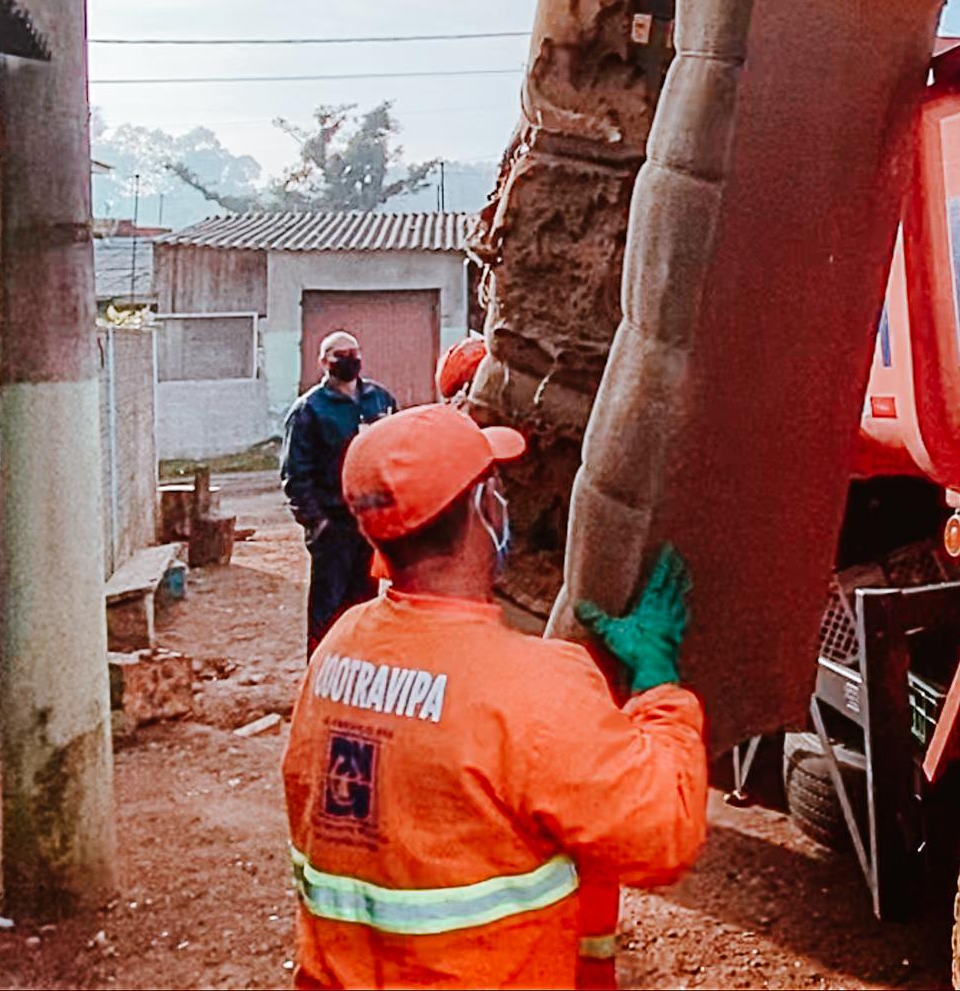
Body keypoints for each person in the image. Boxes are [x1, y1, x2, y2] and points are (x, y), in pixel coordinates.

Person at [282, 406, 707, 990]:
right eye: (496, 487)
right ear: (483, 509)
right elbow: (663, 835)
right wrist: (660, 683)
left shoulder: (339, 648)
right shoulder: (531, 685)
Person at [281, 330, 399, 654]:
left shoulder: (380, 399)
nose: (349, 359)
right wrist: (318, 525)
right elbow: (295, 475)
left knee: (364, 606)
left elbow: (397, 451)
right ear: (323, 362)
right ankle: (321, 676)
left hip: (369, 527)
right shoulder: (308, 410)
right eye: (339, 354)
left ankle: (359, 672)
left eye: (353, 352)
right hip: (332, 528)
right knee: (328, 610)